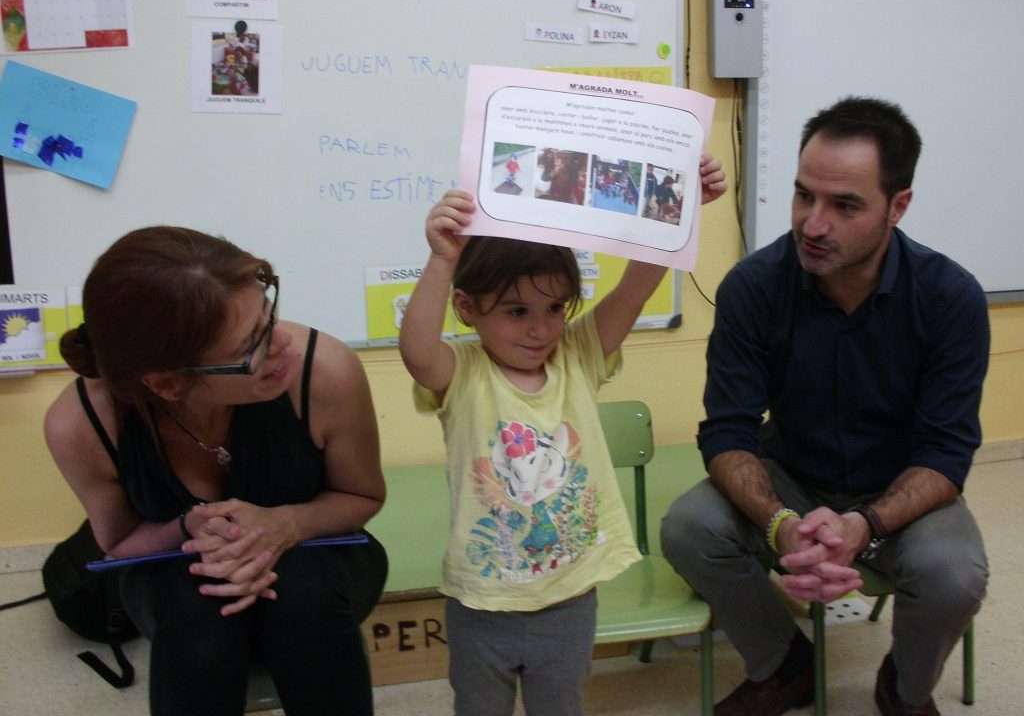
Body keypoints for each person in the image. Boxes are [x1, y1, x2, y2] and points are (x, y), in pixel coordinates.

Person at [660, 97, 989, 716]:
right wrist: (782, 523)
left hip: (900, 488)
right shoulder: (754, 287)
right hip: (793, 474)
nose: (813, 224)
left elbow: (947, 455)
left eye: (845, 205)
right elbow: (728, 432)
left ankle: (904, 688)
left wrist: (863, 524)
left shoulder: (951, 298)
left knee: (954, 574)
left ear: (898, 206)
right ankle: (785, 664)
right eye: (803, 195)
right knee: (689, 527)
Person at [399, 156, 725, 716]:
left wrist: (680, 208)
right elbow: (415, 352)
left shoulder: (577, 354)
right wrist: (442, 259)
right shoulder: (464, 372)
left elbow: (636, 288)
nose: (541, 327)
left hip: (570, 602)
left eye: (555, 308)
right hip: (483, 604)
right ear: (467, 307)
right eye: (517, 311)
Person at [45, 226, 388, 716]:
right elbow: (120, 543)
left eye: (270, 315)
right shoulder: (80, 423)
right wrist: (190, 527)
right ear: (167, 384)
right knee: (198, 606)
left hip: (321, 552)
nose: (283, 342)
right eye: (251, 345)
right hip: (174, 574)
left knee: (301, 596)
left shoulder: (323, 369)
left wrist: (285, 524)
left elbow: (362, 496)